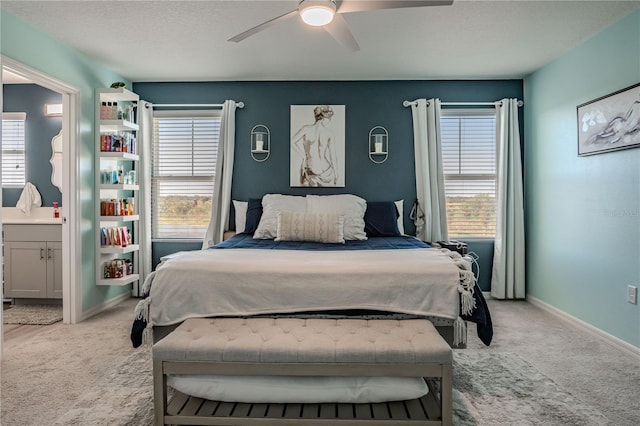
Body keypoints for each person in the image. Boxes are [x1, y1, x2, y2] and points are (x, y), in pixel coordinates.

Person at [291, 105, 339, 186]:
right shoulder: (329, 133)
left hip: (311, 169)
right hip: (327, 170)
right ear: (324, 118)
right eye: (329, 118)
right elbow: (332, 155)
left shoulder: (306, 129)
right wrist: (336, 173)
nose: (330, 120)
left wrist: (304, 156)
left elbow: (292, 142)